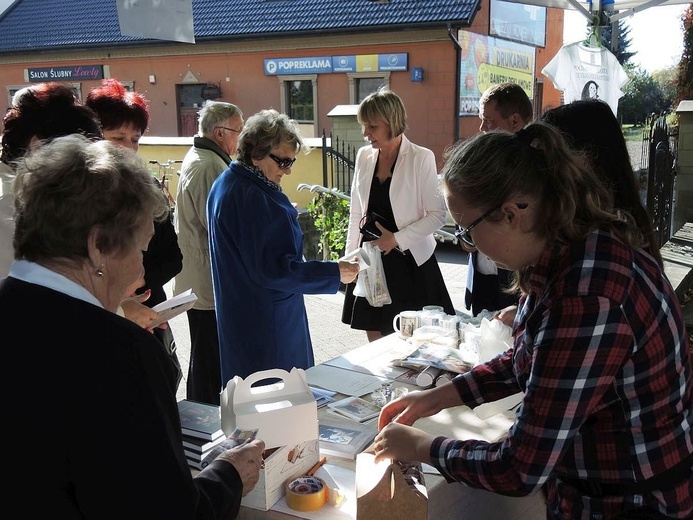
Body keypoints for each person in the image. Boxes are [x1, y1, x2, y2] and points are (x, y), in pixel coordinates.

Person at [373, 122, 693, 519]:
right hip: (591, 492)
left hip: (631, 505)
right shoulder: (566, 255)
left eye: (468, 230)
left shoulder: (586, 295)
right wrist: (436, 397)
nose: (467, 245)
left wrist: (422, 447)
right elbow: (528, 357)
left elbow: (519, 468)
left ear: (511, 214)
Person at [1, 135, 265, 518]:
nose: (143, 272)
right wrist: (229, 476)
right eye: (140, 250)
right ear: (98, 248)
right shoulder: (119, 352)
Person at [207, 108, 359, 385]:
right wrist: (334, 273)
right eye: (283, 162)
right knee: (280, 404)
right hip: (268, 327)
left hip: (245, 317)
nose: (288, 171)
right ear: (256, 153)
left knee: (257, 406)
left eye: (292, 162)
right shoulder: (253, 196)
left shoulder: (230, 181)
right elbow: (275, 270)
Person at [493, 98, 664, 328]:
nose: (539, 178)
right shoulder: (609, 226)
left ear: (584, 160)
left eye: (547, 160)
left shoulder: (596, 266)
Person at [86, 78, 184, 390]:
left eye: (135, 139)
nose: (129, 148)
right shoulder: (76, 194)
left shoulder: (149, 187)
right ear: (92, 137)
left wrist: (140, 281)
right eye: (118, 138)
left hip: (149, 315)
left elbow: (173, 257)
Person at [341, 87, 454, 342]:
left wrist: (396, 240)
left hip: (409, 261)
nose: (365, 133)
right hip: (370, 258)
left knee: (411, 341)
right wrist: (349, 257)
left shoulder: (420, 157)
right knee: (373, 335)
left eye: (371, 126)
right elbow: (356, 211)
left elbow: (437, 215)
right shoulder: (364, 156)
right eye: (364, 126)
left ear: (392, 122)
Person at [175, 100, 243, 404]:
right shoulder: (208, 165)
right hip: (205, 281)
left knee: (207, 355)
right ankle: (203, 418)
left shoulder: (207, 158)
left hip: (202, 277)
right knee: (207, 359)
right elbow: (217, 223)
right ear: (219, 132)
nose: (240, 139)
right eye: (237, 131)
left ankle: (204, 414)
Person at [0, 82, 103, 277]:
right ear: (37, 147)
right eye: (75, 159)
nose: (82, 172)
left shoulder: (35, 201)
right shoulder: (10, 214)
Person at [462, 82, 533, 317]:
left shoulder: (537, 167)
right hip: (481, 281)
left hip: (517, 284)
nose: (482, 128)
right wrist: (465, 233)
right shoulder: (479, 159)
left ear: (514, 121)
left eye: (489, 121)